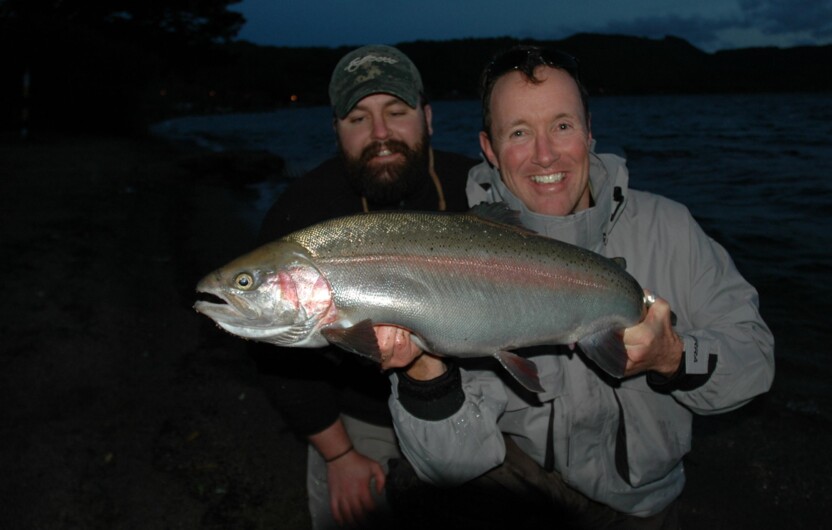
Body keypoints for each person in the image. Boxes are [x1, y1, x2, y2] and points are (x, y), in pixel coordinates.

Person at [376, 45, 775, 528]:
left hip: (644, 500)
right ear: (489, 149)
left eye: (562, 126)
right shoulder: (452, 259)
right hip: (526, 498)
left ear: (589, 132)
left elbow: (754, 365)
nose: (545, 154)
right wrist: (425, 373)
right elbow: (451, 465)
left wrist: (672, 356)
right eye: (519, 132)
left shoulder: (670, 228)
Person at [252, 44, 474, 529]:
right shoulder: (300, 215)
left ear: (428, 117)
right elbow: (277, 359)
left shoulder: (477, 188)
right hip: (363, 421)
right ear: (336, 131)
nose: (380, 134)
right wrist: (339, 457)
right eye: (358, 119)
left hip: (479, 407)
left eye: (396, 112)